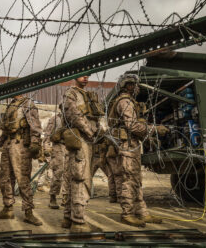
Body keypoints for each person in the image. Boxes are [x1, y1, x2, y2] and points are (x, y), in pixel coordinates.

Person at [108, 73, 169, 227]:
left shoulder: (128, 101)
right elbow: (132, 126)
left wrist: (148, 137)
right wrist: (155, 129)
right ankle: (127, 214)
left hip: (131, 145)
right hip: (127, 147)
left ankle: (141, 212)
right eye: (134, 85)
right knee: (128, 180)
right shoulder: (125, 102)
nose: (137, 88)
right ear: (128, 86)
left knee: (136, 180)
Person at [61, 75, 104, 232]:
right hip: (81, 139)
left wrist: (99, 132)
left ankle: (68, 218)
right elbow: (73, 114)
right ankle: (78, 222)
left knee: (77, 176)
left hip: (88, 139)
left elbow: (96, 117)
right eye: (82, 75)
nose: (86, 78)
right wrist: (89, 131)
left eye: (88, 76)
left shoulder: (88, 95)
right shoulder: (71, 93)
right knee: (81, 178)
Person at [0, 94, 43, 226]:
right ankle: (7, 208)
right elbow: (6, 129)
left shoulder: (28, 104)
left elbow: (35, 126)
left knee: (23, 179)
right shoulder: (11, 105)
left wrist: (35, 142)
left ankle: (28, 212)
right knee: (5, 178)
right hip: (8, 144)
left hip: (21, 145)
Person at [43, 109, 68, 209]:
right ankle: (53, 197)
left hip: (70, 148)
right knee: (58, 173)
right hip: (58, 147)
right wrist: (46, 149)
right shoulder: (55, 119)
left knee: (70, 174)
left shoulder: (73, 119)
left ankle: (66, 197)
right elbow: (47, 135)